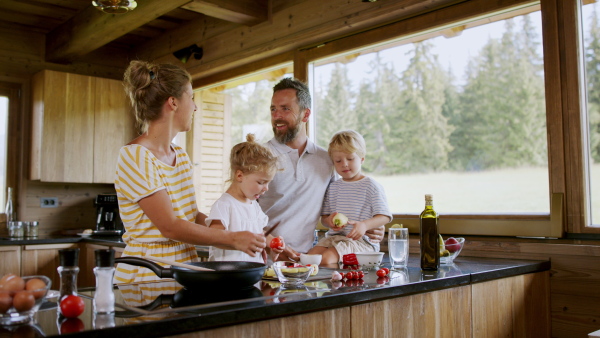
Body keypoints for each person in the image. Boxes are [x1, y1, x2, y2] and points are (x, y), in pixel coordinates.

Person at [114, 60, 265, 284]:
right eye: (191, 97)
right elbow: (170, 226)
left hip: (185, 266)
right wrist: (232, 238)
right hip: (149, 272)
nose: (195, 106)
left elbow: (192, 217)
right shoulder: (135, 157)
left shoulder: (181, 157)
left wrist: (249, 237)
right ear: (173, 103)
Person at [258, 78, 385, 262]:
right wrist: (271, 243)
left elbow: (336, 209)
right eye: (273, 109)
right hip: (263, 261)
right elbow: (240, 215)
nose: (277, 116)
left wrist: (371, 225)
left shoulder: (328, 160)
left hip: (309, 262)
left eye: (285, 109)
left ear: (306, 114)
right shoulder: (259, 156)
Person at [307, 130, 392, 264]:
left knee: (326, 259)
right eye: (338, 160)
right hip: (335, 238)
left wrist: (364, 225)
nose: (344, 164)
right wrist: (329, 221)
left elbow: (385, 216)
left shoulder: (371, 186)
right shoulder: (333, 187)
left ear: (362, 159)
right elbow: (324, 218)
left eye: (350, 159)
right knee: (308, 258)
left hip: (361, 243)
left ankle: (336, 281)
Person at [206, 133, 285, 263]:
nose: (266, 188)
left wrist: (272, 243)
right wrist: (236, 240)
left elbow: (260, 233)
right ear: (240, 176)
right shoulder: (224, 205)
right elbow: (214, 238)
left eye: (268, 182)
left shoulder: (253, 205)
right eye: (261, 182)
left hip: (251, 274)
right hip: (227, 275)